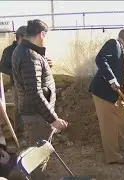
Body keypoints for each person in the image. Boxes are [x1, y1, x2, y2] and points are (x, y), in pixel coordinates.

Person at [11, 19, 68, 179]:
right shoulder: (29, 55)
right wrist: (53, 119)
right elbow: (34, 92)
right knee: (36, 156)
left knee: (38, 153)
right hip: (37, 115)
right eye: (46, 36)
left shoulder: (28, 52)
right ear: (41, 34)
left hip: (37, 113)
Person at [89, 29, 124, 165]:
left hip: (117, 93)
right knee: (108, 125)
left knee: (123, 114)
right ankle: (113, 156)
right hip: (103, 92)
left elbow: (121, 71)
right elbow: (100, 58)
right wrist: (111, 79)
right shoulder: (114, 44)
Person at [0, 26, 27, 141]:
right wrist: (16, 73)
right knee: (20, 108)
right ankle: (20, 135)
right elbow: (2, 67)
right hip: (17, 85)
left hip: (33, 84)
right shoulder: (9, 51)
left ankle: (33, 134)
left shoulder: (31, 49)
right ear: (19, 37)